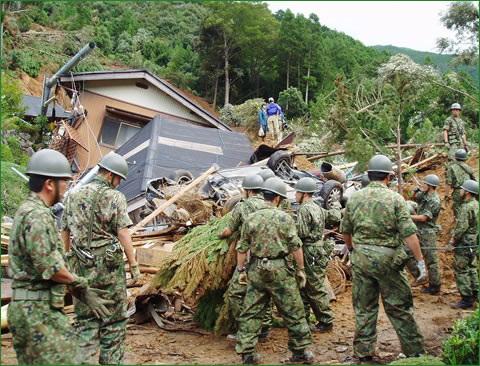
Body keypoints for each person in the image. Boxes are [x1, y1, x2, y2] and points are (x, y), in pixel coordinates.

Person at [7, 149, 113, 365]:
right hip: (36, 314)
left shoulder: (32, 212)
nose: (66, 188)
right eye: (64, 182)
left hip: (38, 310)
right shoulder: (36, 217)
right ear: (49, 184)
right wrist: (82, 286)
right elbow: (52, 269)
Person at [341, 155, 426, 363]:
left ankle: (363, 353)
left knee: (364, 309)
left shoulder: (355, 198)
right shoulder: (396, 199)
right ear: (389, 177)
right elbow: (409, 235)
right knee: (399, 308)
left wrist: (353, 250)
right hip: (389, 262)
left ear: (369, 175)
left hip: (362, 260)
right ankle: (415, 352)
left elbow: (346, 232)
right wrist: (420, 262)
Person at [61, 152, 140, 364]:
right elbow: (123, 232)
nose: (118, 184)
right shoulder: (115, 197)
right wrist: (133, 264)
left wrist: (67, 260)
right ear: (111, 176)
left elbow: (65, 232)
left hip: (80, 267)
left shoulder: (73, 195)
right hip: (108, 269)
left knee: (85, 319)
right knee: (113, 321)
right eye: (119, 180)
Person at [235, 177, 313, 365]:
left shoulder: (251, 218)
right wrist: (301, 270)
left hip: (257, 270)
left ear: (264, 196)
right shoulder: (285, 218)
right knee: (293, 310)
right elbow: (296, 247)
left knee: (251, 311)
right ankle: (301, 352)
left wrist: (241, 270)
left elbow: (241, 248)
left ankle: (247, 353)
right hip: (280, 271)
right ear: (278, 199)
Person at [218, 175, 272, 341]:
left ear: (248, 191)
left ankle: (246, 327)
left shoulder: (243, 207)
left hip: (249, 257)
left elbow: (228, 230)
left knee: (236, 293)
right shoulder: (268, 205)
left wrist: (218, 235)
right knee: (265, 292)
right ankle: (264, 328)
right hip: (269, 257)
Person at [294, 177, 341, 332]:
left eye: (297, 192)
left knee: (314, 287)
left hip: (309, 251)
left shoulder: (305, 209)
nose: (296, 195)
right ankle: (306, 319)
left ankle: (326, 320)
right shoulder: (317, 207)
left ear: (304, 193)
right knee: (306, 285)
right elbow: (332, 217)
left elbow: (301, 232)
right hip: (317, 250)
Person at [449, 180, 479, 309]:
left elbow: (461, 227)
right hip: (473, 241)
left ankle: (466, 299)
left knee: (461, 269)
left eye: (462, 189)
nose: (460, 191)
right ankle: (475, 293)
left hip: (465, 242)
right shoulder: (476, 204)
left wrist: (452, 241)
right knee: (471, 267)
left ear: (467, 192)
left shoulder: (466, 207)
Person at [410, 175, 442, 294]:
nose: (422, 185)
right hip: (419, 230)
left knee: (431, 260)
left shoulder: (434, 200)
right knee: (410, 253)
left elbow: (424, 218)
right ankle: (420, 277)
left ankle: (435, 286)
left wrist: (407, 216)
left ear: (430, 186)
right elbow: (413, 198)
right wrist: (415, 190)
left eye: (425, 184)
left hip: (428, 232)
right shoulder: (424, 195)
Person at [446, 149, 476, 218]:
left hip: (458, 192)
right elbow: (474, 180)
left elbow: (448, 183)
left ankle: (459, 225)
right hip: (469, 192)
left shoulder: (451, 168)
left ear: (456, 158)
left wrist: (446, 195)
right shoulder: (469, 168)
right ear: (465, 159)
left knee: (458, 211)